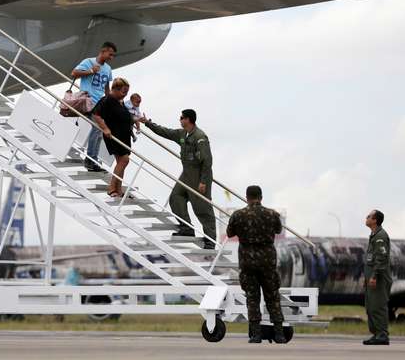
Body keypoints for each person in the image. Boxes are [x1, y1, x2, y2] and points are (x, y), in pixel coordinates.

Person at [141, 109, 215, 248]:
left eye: (182, 118)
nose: (180, 120)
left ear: (188, 120)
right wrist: (148, 124)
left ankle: (210, 241)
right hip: (186, 172)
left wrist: (203, 181)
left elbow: (207, 161)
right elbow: (165, 132)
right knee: (176, 197)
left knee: (202, 208)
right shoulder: (182, 134)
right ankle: (186, 227)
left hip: (198, 174)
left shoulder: (199, 137)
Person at [226, 186, 286, 344]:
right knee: (273, 297)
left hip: (248, 263)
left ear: (246, 197)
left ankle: (256, 335)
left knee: (252, 298)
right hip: (267, 263)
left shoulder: (238, 215)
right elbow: (278, 230)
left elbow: (230, 233)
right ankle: (279, 334)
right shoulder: (272, 214)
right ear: (261, 197)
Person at [71, 42, 116, 172]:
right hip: (88, 100)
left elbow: (106, 88)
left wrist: (110, 104)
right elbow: (73, 73)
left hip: (99, 103)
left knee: (99, 131)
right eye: (110, 54)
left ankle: (92, 159)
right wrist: (90, 71)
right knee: (98, 129)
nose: (111, 57)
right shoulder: (89, 62)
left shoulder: (108, 69)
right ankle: (91, 160)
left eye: (113, 55)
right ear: (103, 51)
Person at [92, 77, 132, 197]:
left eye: (126, 92)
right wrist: (105, 128)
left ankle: (118, 189)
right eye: (123, 92)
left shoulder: (120, 101)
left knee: (121, 161)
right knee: (124, 160)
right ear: (115, 89)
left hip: (124, 135)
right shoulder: (108, 99)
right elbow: (96, 114)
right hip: (114, 134)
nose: (125, 95)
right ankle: (111, 188)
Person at [363, 209, 392, 346]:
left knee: (378, 306)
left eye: (369, 216)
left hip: (378, 278)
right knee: (371, 307)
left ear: (374, 220)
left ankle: (382, 335)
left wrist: (374, 276)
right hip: (372, 278)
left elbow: (381, 259)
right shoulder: (374, 235)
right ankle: (377, 334)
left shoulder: (380, 236)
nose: (366, 218)